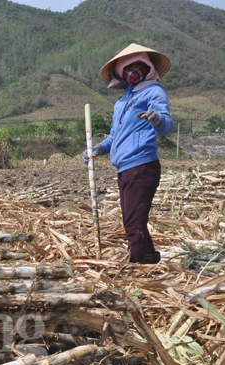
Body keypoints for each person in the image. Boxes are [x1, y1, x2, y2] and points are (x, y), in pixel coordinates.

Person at [82, 43, 173, 264]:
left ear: (149, 67)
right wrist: (97, 149)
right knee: (133, 219)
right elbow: (114, 136)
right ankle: (149, 258)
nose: (134, 70)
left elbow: (166, 125)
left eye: (139, 65)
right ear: (121, 72)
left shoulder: (154, 91)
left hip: (142, 164)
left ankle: (138, 264)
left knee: (133, 221)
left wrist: (157, 119)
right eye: (129, 67)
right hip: (124, 168)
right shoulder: (121, 102)